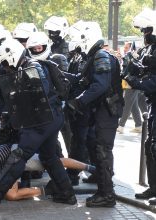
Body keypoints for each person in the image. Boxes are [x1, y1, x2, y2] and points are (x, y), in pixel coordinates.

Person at [0, 39, 76, 210]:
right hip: (48, 118)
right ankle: (68, 194)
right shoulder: (26, 67)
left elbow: (39, 90)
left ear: (12, 56)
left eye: (5, 62)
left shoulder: (33, 67)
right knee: (49, 157)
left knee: (19, 155)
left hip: (42, 120)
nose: (5, 67)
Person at [0, 139, 95, 205]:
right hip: (12, 154)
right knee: (54, 162)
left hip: (15, 158)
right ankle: (90, 168)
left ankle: (49, 190)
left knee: (54, 162)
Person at [64, 39, 124, 207]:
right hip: (102, 110)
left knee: (102, 150)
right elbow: (81, 79)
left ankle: (107, 194)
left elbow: (100, 85)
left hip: (107, 110)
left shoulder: (101, 56)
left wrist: (79, 101)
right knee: (97, 147)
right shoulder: (96, 56)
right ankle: (103, 188)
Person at [124, 8, 156, 205]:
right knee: (150, 146)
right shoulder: (151, 49)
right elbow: (146, 69)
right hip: (153, 102)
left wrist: (135, 82)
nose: (144, 34)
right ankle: (153, 187)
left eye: (146, 30)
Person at [117, 41, 147, 134]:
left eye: (126, 47)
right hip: (129, 82)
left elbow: (130, 67)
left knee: (127, 104)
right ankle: (138, 125)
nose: (125, 49)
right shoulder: (131, 55)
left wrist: (125, 56)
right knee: (133, 104)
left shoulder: (133, 56)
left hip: (132, 82)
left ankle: (121, 125)